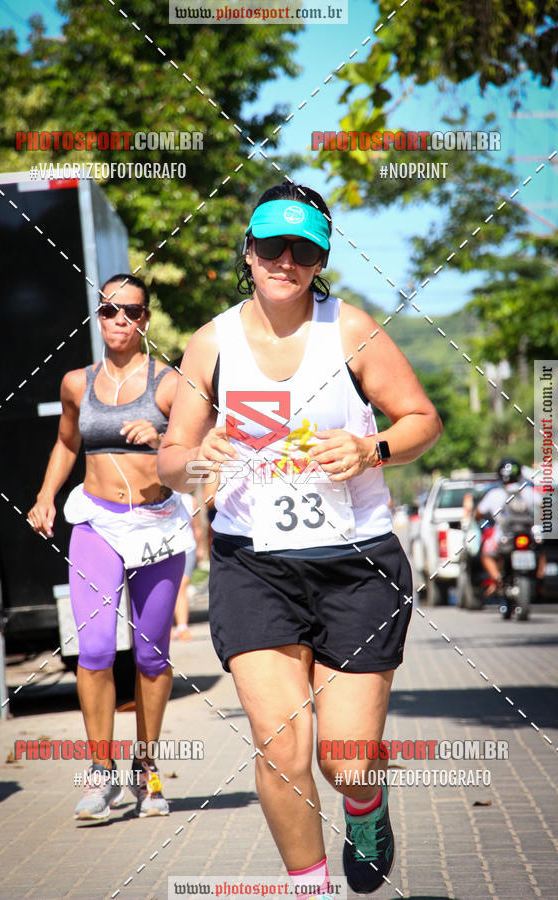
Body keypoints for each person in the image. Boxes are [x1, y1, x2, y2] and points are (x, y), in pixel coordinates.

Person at [157, 182, 442, 894]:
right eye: (271, 246)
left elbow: (420, 419)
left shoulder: (349, 330)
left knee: (345, 761)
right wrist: (199, 462)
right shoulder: (211, 342)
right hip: (254, 564)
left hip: (356, 565)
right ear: (246, 253)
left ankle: (366, 804)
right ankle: (310, 888)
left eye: (304, 249)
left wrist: (371, 447)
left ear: (320, 259)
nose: (286, 260)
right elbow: (170, 458)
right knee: (284, 744)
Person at [28, 273, 191, 821]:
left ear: (146, 320)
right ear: (97, 316)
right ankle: (102, 775)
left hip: (157, 526)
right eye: (109, 311)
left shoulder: (170, 384)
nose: (120, 320)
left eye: (132, 312)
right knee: (94, 650)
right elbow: (67, 442)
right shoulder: (76, 382)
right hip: (95, 521)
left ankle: (147, 770)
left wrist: (164, 438)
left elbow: (201, 452)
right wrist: (47, 495)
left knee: (150, 654)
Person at [475, 457, 541, 594]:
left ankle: (498, 579)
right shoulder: (528, 491)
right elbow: (544, 507)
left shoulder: (494, 494)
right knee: (542, 551)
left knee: (486, 554)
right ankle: (541, 581)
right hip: (528, 534)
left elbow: (479, 513)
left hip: (504, 537)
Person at [172, 492, 204, 640]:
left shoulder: (191, 500)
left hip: (188, 548)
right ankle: (168, 628)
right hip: (169, 550)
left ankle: (182, 627)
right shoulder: (163, 497)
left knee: (181, 586)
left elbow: (196, 526)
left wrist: (201, 548)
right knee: (170, 588)